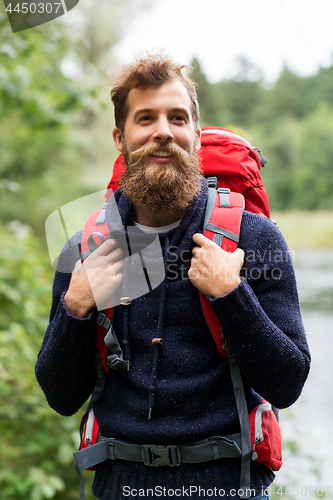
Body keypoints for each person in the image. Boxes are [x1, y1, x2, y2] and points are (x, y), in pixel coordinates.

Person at [35, 52, 310, 500]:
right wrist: (76, 306)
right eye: (146, 118)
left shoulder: (254, 239)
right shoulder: (84, 251)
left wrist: (231, 294)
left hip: (229, 486)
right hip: (120, 486)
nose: (163, 131)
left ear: (195, 137)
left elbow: (288, 382)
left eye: (176, 117)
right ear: (120, 137)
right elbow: (61, 397)